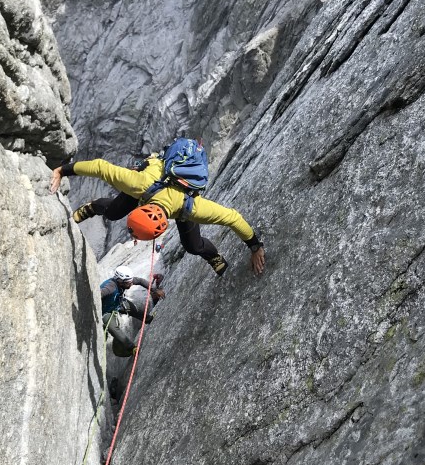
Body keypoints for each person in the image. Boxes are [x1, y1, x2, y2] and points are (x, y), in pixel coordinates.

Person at [50, 153, 265, 277]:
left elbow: (232, 218)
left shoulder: (190, 208)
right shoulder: (137, 183)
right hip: (152, 179)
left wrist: (256, 247)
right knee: (114, 212)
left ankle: (213, 256)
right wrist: (62, 170)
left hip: (173, 196)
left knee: (193, 245)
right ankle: (92, 207)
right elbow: (100, 167)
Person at [101, 267, 165, 357]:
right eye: (128, 283)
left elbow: (140, 281)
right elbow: (100, 293)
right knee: (113, 328)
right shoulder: (110, 287)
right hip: (105, 312)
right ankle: (131, 348)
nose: (131, 284)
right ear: (120, 281)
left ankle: (148, 319)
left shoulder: (124, 281)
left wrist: (155, 290)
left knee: (133, 309)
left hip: (117, 304)